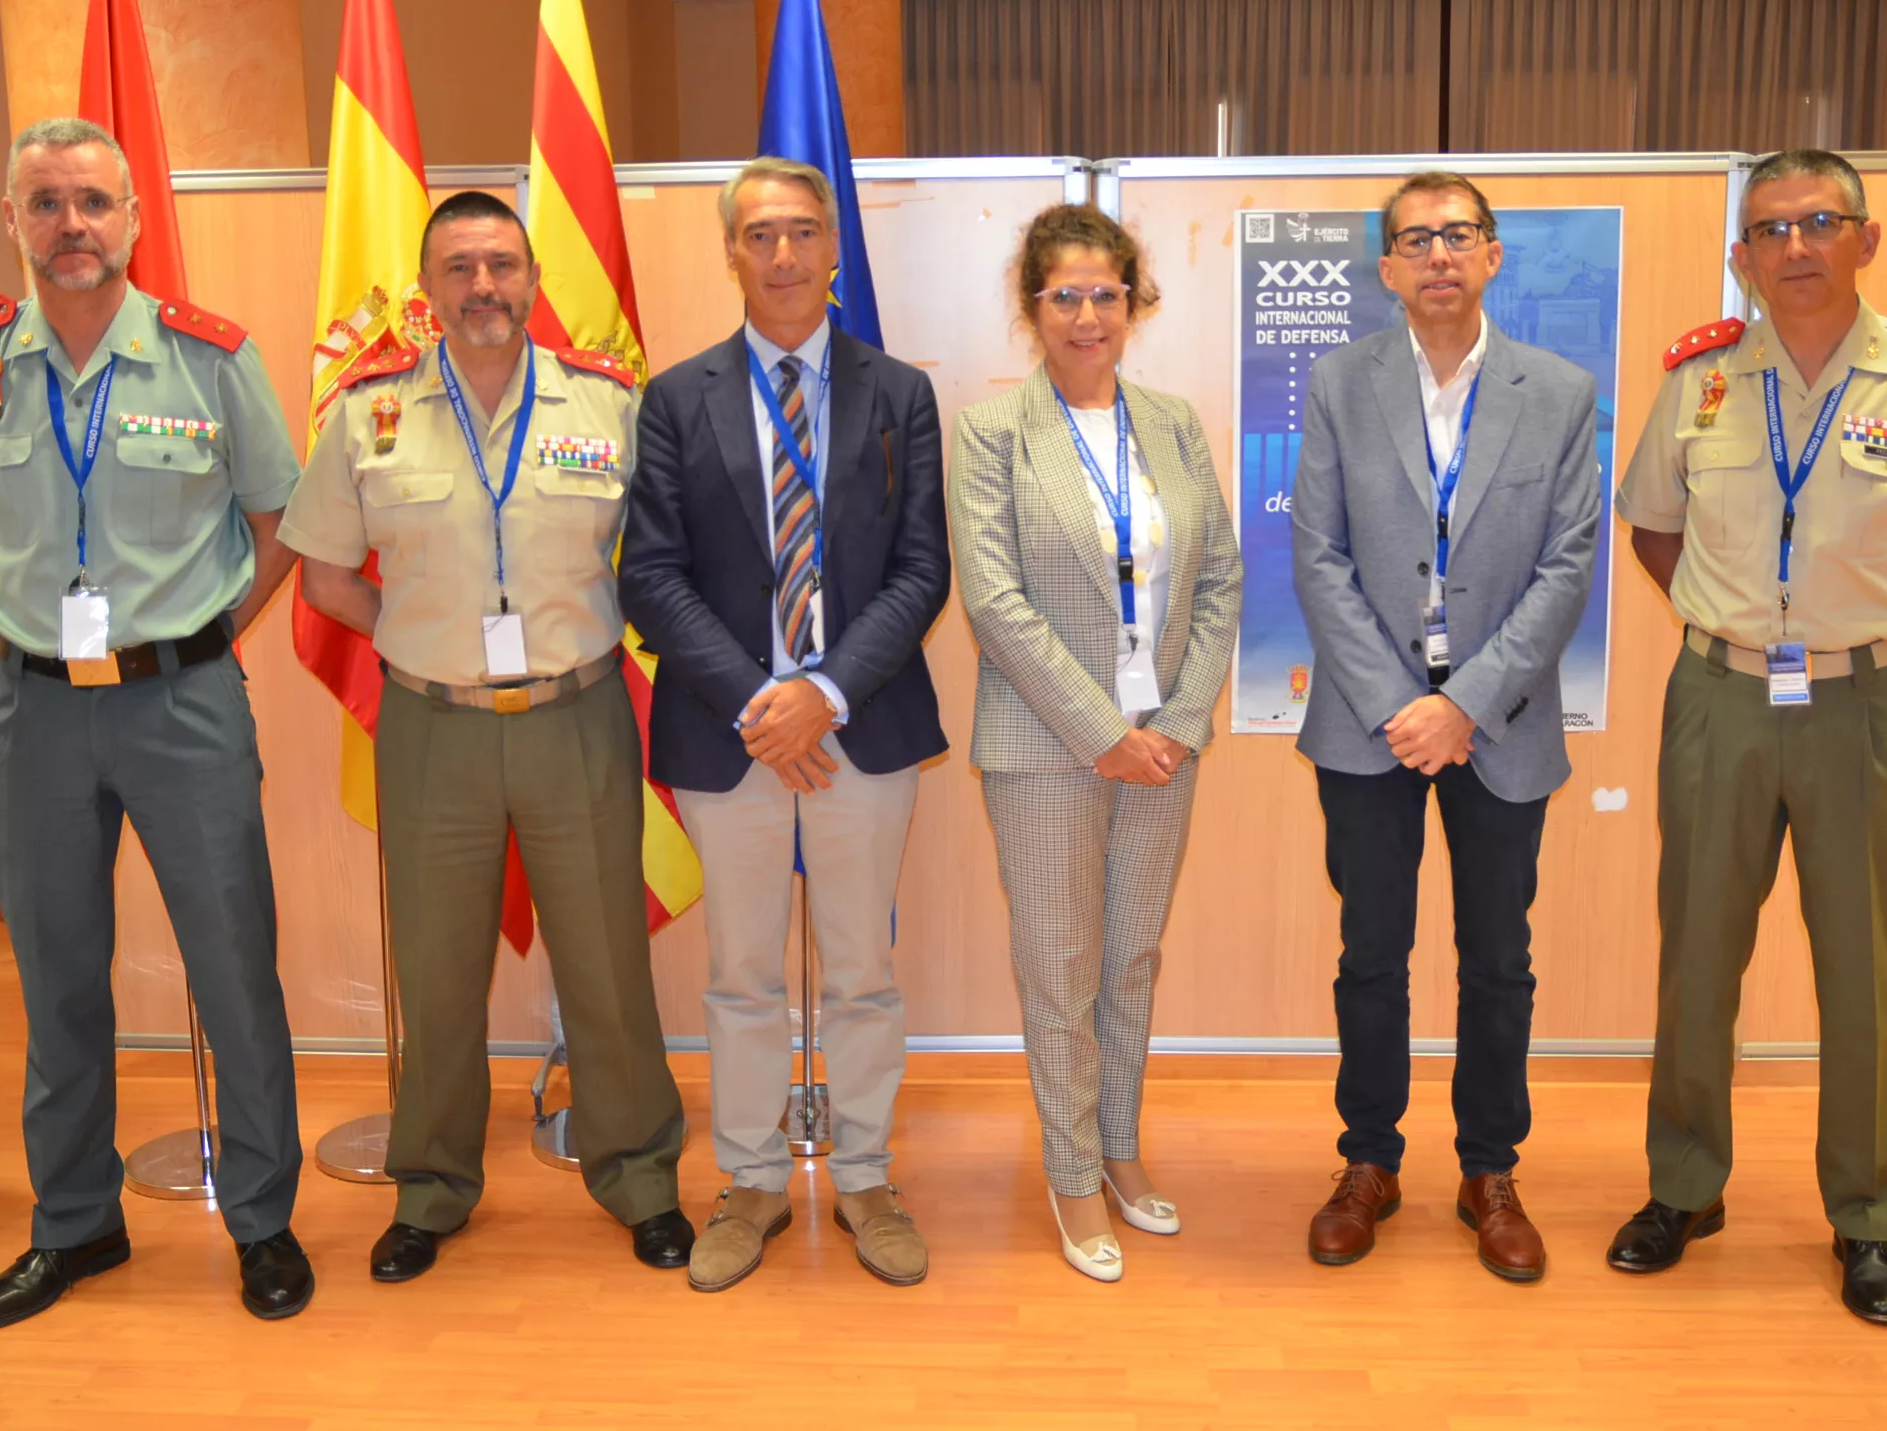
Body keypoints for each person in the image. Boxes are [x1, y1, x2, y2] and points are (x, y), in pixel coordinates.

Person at [0, 117, 312, 1327]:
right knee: (57, 976)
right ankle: (74, 1225)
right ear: (12, 222)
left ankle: (263, 1222)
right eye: (46, 204)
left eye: (92, 201)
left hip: (181, 703)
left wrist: (207, 631)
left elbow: (277, 517)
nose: (70, 225)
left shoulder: (209, 361)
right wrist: (32, 622)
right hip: (31, 710)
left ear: (131, 218)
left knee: (233, 971)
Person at [1608, 148, 1887, 1326]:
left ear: (1865, 238)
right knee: (1696, 955)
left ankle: (1866, 1218)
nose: (1793, 246)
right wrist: (1724, 617)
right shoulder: (1699, 380)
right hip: (1719, 701)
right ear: (1740, 255)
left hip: (1864, 711)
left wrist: (1885, 641)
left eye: (1818, 222)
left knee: (1864, 968)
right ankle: (1685, 1188)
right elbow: (1650, 524)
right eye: (1769, 229)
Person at [282, 190, 693, 1281]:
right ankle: (432, 1188)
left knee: (606, 959)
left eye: (502, 265)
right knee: (437, 964)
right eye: (459, 269)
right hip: (432, 727)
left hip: (579, 719)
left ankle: (640, 1176)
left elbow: (661, 559)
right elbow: (324, 578)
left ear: (534, 279)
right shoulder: (367, 416)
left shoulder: (610, 407)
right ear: (428, 292)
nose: (483, 288)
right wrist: (423, 644)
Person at [618, 157, 950, 1294]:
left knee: (861, 972)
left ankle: (864, 1177)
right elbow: (650, 578)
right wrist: (764, 703)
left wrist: (825, 693)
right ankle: (752, 1182)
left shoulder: (899, 392)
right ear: (731, 253)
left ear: (832, 249)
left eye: (803, 233)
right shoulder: (674, 397)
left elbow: (921, 570)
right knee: (742, 976)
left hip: (862, 724)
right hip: (730, 731)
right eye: (759, 235)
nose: (784, 256)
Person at [1291, 171, 1601, 1283]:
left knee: (1497, 960)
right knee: (1371, 954)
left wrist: (1464, 704)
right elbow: (1317, 557)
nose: (1436, 256)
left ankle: (1488, 1169)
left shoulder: (1559, 391)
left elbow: (1570, 563)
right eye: (1413, 239)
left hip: (1499, 723)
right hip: (1367, 721)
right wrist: (1399, 703)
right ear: (1385, 267)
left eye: (1457, 235)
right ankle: (1367, 1162)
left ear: (1493, 255)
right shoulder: (1338, 382)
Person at [948, 203, 1242, 1284]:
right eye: (1063, 295)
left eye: (1104, 295)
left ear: (1134, 303)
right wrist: (1099, 731)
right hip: (1042, 745)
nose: (1086, 315)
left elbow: (1218, 580)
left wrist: (1171, 723)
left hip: (1163, 745)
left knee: (1130, 955)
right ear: (1033, 308)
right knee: (1060, 963)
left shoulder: (1170, 424)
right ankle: (1070, 1175)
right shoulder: (990, 435)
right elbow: (993, 599)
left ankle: (1118, 1146)